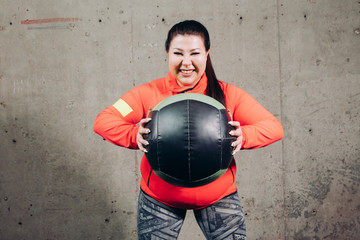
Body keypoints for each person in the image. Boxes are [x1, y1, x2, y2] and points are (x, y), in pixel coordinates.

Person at [93, 20, 283, 240]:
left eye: (194, 53)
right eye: (178, 53)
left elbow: (274, 127)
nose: (186, 63)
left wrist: (245, 136)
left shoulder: (228, 94)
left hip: (217, 197)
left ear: (206, 53)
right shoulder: (147, 94)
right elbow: (104, 121)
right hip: (160, 199)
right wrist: (134, 136)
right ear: (167, 53)